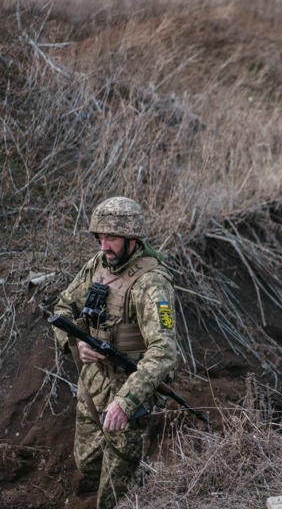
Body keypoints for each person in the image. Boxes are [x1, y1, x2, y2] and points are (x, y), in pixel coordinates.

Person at [51, 196, 178, 509]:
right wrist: (75, 343)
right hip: (94, 381)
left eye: (112, 238)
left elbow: (164, 351)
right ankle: (137, 475)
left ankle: (138, 489)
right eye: (100, 237)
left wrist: (126, 401)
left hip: (130, 388)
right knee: (88, 464)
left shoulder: (151, 283)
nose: (104, 246)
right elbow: (63, 308)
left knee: (113, 493)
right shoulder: (98, 265)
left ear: (132, 240)